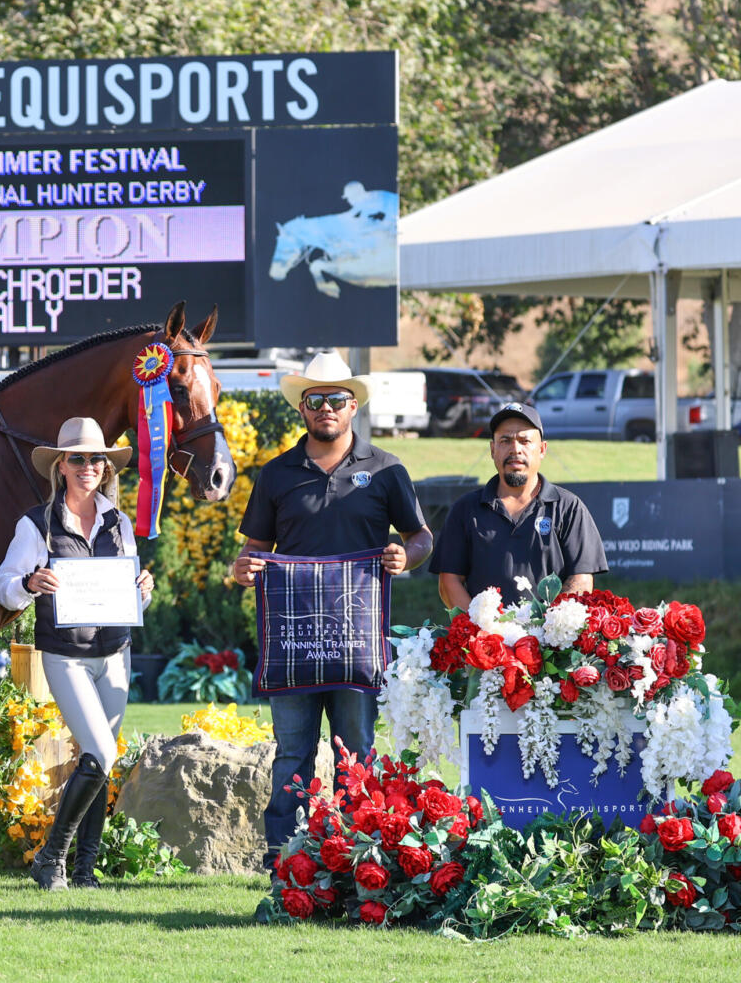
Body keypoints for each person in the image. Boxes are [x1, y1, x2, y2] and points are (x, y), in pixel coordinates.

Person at [230, 352, 432, 867]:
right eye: (316, 400)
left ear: (353, 406)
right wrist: (244, 567)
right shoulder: (276, 474)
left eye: (336, 400)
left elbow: (422, 537)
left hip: (356, 642)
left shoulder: (387, 471)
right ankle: (285, 863)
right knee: (291, 756)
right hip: (293, 642)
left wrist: (404, 556)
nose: (326, 408)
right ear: (302, 407)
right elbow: (254, 548)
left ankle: (353, 857)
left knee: (356, 755)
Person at [0, 417, 155, 891]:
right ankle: (52, 857)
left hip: (116, 653)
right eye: (78, 458)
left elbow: (130, 593)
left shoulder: (118, 521)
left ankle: (83, 869)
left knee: (98, 758)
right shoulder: (36, 523)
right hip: (64, 654)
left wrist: (142, 588)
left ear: (106, 467)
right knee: (101, 750)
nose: (88, 466)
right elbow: (4, 587)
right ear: (61, 466)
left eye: (96, 458)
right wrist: (28, 583)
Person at [431, 401, 608, 609]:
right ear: (492, 449)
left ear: (542, 449)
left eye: (525, 441)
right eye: (505, 440)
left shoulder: (568, 507)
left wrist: (548, 632)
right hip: (484, 638)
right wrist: (481, 631)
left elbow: (581, 580)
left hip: (547, 638)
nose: (515, 449)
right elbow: (449, 582)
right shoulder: (465, 509)